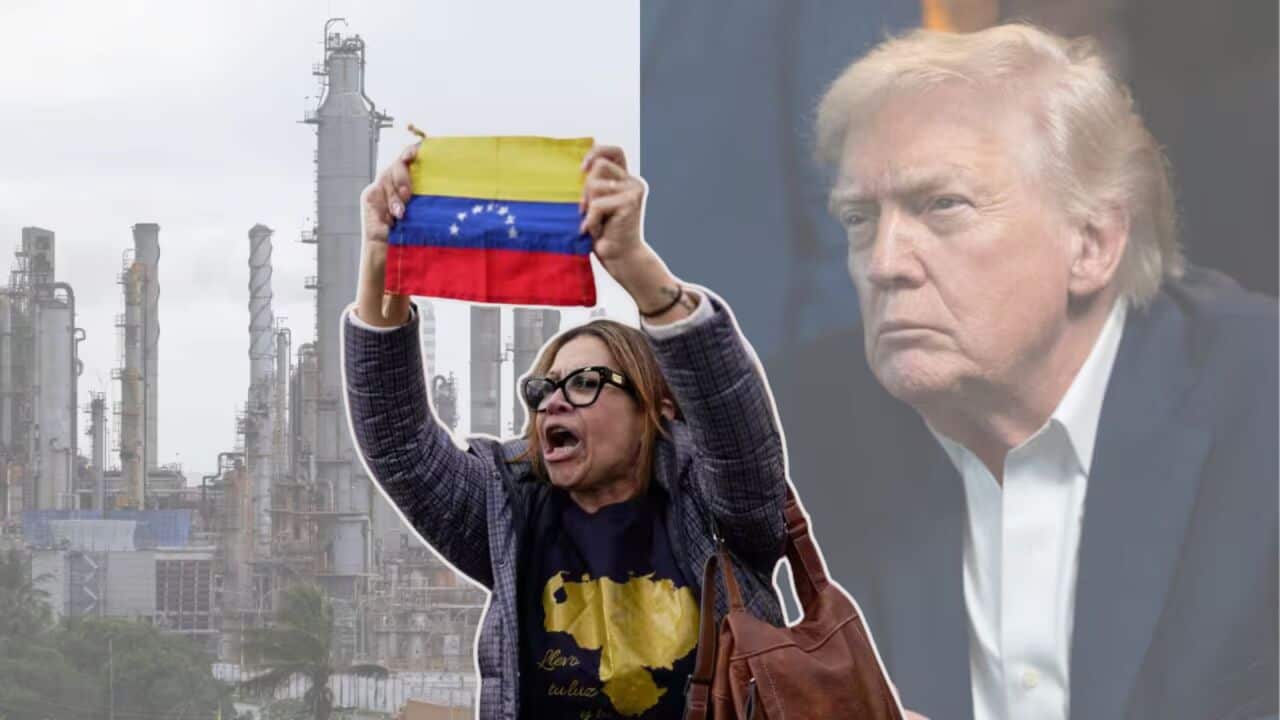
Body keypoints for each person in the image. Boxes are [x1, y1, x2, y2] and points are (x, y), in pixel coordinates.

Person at [772, 23, 1277, 720]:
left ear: (1093, 244)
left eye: (941, 206)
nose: (884, 262)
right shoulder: (794, 425)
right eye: (860, 219)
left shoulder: (1260, 401)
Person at [343, 143, 789, 719]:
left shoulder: (715, 511)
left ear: (655, 406)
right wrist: (381, 260)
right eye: (543, 388)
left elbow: (735, 428)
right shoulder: (510, 513)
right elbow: (400, 445)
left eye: (583, 382)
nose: (552, 401)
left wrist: (634, 265)